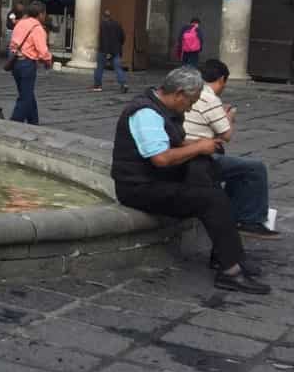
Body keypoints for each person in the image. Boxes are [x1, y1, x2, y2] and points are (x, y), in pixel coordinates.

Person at [112, 66, 268, 294]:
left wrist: (202, 146)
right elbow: (162, 158)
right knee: (211, 198)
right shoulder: (145, 113)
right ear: (178, 94)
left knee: (209, 171)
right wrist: (198, 147)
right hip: (139, 188)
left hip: (157, 179)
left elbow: (172, 142)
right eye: (191, 100)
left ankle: (227, 256)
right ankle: (230, 272)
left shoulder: (164, 108)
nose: (193, 106)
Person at [184, 58, 280, 239]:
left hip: (187, 153)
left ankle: (231, 214)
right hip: (197, 159)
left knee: (236, 168)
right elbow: (226, 135)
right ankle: (250, 220)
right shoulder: (209, 97)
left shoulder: (190, 92)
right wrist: (230, 117)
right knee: (255, 168)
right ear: (221, 80)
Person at [8, 1, 53, 124]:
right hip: (27, 64)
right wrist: (48, 61)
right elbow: (43, 51)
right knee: (25, 96)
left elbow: (12, 43)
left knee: (26, 93)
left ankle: (33, 121)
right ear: (40, 14)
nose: (45, 16)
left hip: (15, 62)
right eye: (44, 14)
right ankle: (14, 122)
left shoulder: (20, 24)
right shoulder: (37, 28)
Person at [92, 9, 129, 93]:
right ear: (110, 16)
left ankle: (98, 85)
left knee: (99, 68)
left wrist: (107, 52)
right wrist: (118, 46)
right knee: (118, 68)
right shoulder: (118, 24)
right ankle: (123, 84)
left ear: (103, 17)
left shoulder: (103, 25)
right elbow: (123, 37)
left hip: (104, 51)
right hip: (116, 50)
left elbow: (104, 39)